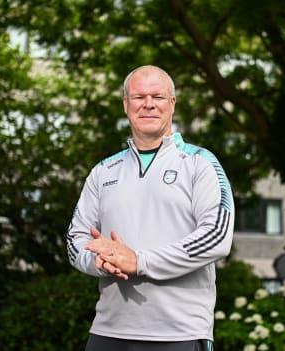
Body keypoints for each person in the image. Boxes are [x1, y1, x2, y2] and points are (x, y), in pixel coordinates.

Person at [67, 65, 234, 351]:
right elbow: (75, 240)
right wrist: (99, 261)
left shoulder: (200, 163)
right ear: (125, 105)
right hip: (108, 331)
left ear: (172, 103)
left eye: (157, 96)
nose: (148, 104)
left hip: (178, 333)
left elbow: (217, 238)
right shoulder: (103, 170)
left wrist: (139, 262)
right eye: (138, 97)